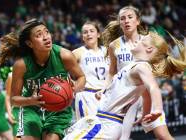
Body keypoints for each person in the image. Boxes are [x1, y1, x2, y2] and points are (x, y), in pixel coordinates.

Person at [63, 31, 186, 140]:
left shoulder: (142, 67)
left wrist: (157, 109)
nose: (137, 40)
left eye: (141, 40)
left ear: (149, 49)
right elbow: (146, 96)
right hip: (103, 120)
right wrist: (144, 115)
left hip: (106, 123)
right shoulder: (136, 66)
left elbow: (153, 88)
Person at [0, 19, 86, 140]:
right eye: (39, 35)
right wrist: (30, 100)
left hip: (58, 111)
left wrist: (75, 87)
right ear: (30, 43)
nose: (45, 37)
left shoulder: (65, 55)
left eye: (47, 32)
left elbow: (81, 77)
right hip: (30, 109)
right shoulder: (21, 65)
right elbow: (13, 99)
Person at [102, 6, 174, 140]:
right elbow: (111, 72)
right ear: (119, 23)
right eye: (122, 18)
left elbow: (159, 65)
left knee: (162, 135)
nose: (126, 21)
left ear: (138, 21)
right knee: (122, 137)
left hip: (148, 92)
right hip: (127, 97)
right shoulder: (114, 45)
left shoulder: (147, 43)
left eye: (130, 17)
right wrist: (105, 88)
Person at [73, 21, 109, 120]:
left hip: (105, 95)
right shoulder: (78, 52)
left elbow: (113, 73)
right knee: (88, 132)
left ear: (98, 34)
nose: (88, 34)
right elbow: (61, 70)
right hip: (86, 96)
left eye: (91, 31)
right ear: (82, 37)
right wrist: (72, 85)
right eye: (85, 32)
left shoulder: (107, 51)